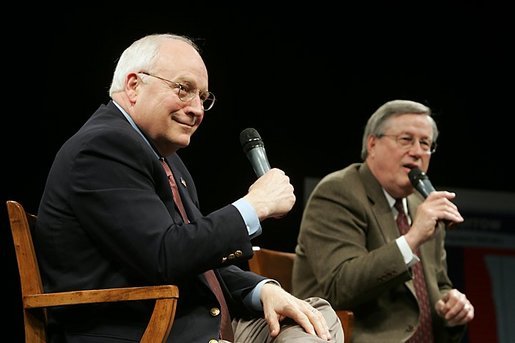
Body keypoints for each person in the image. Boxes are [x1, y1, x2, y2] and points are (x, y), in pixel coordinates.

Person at [34, 33, 344, 342]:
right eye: (183, 89)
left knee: (315, 315)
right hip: (153, 331)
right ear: (133, 85)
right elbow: (166, 256)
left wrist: (262, 291)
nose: (196, 109)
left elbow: (199, 261)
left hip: (202, 322)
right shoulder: (102, 149)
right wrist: (254, 206)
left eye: (203, 98)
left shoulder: (167, 160)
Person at [292, 99, 475, 342]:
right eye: (406, 140)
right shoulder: (338, 192)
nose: (417, 151)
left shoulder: (422, 206)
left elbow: (439, 285)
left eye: (425, 143)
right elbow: (339, 286)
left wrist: (451, 306)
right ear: (373, 144)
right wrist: (413, 238)